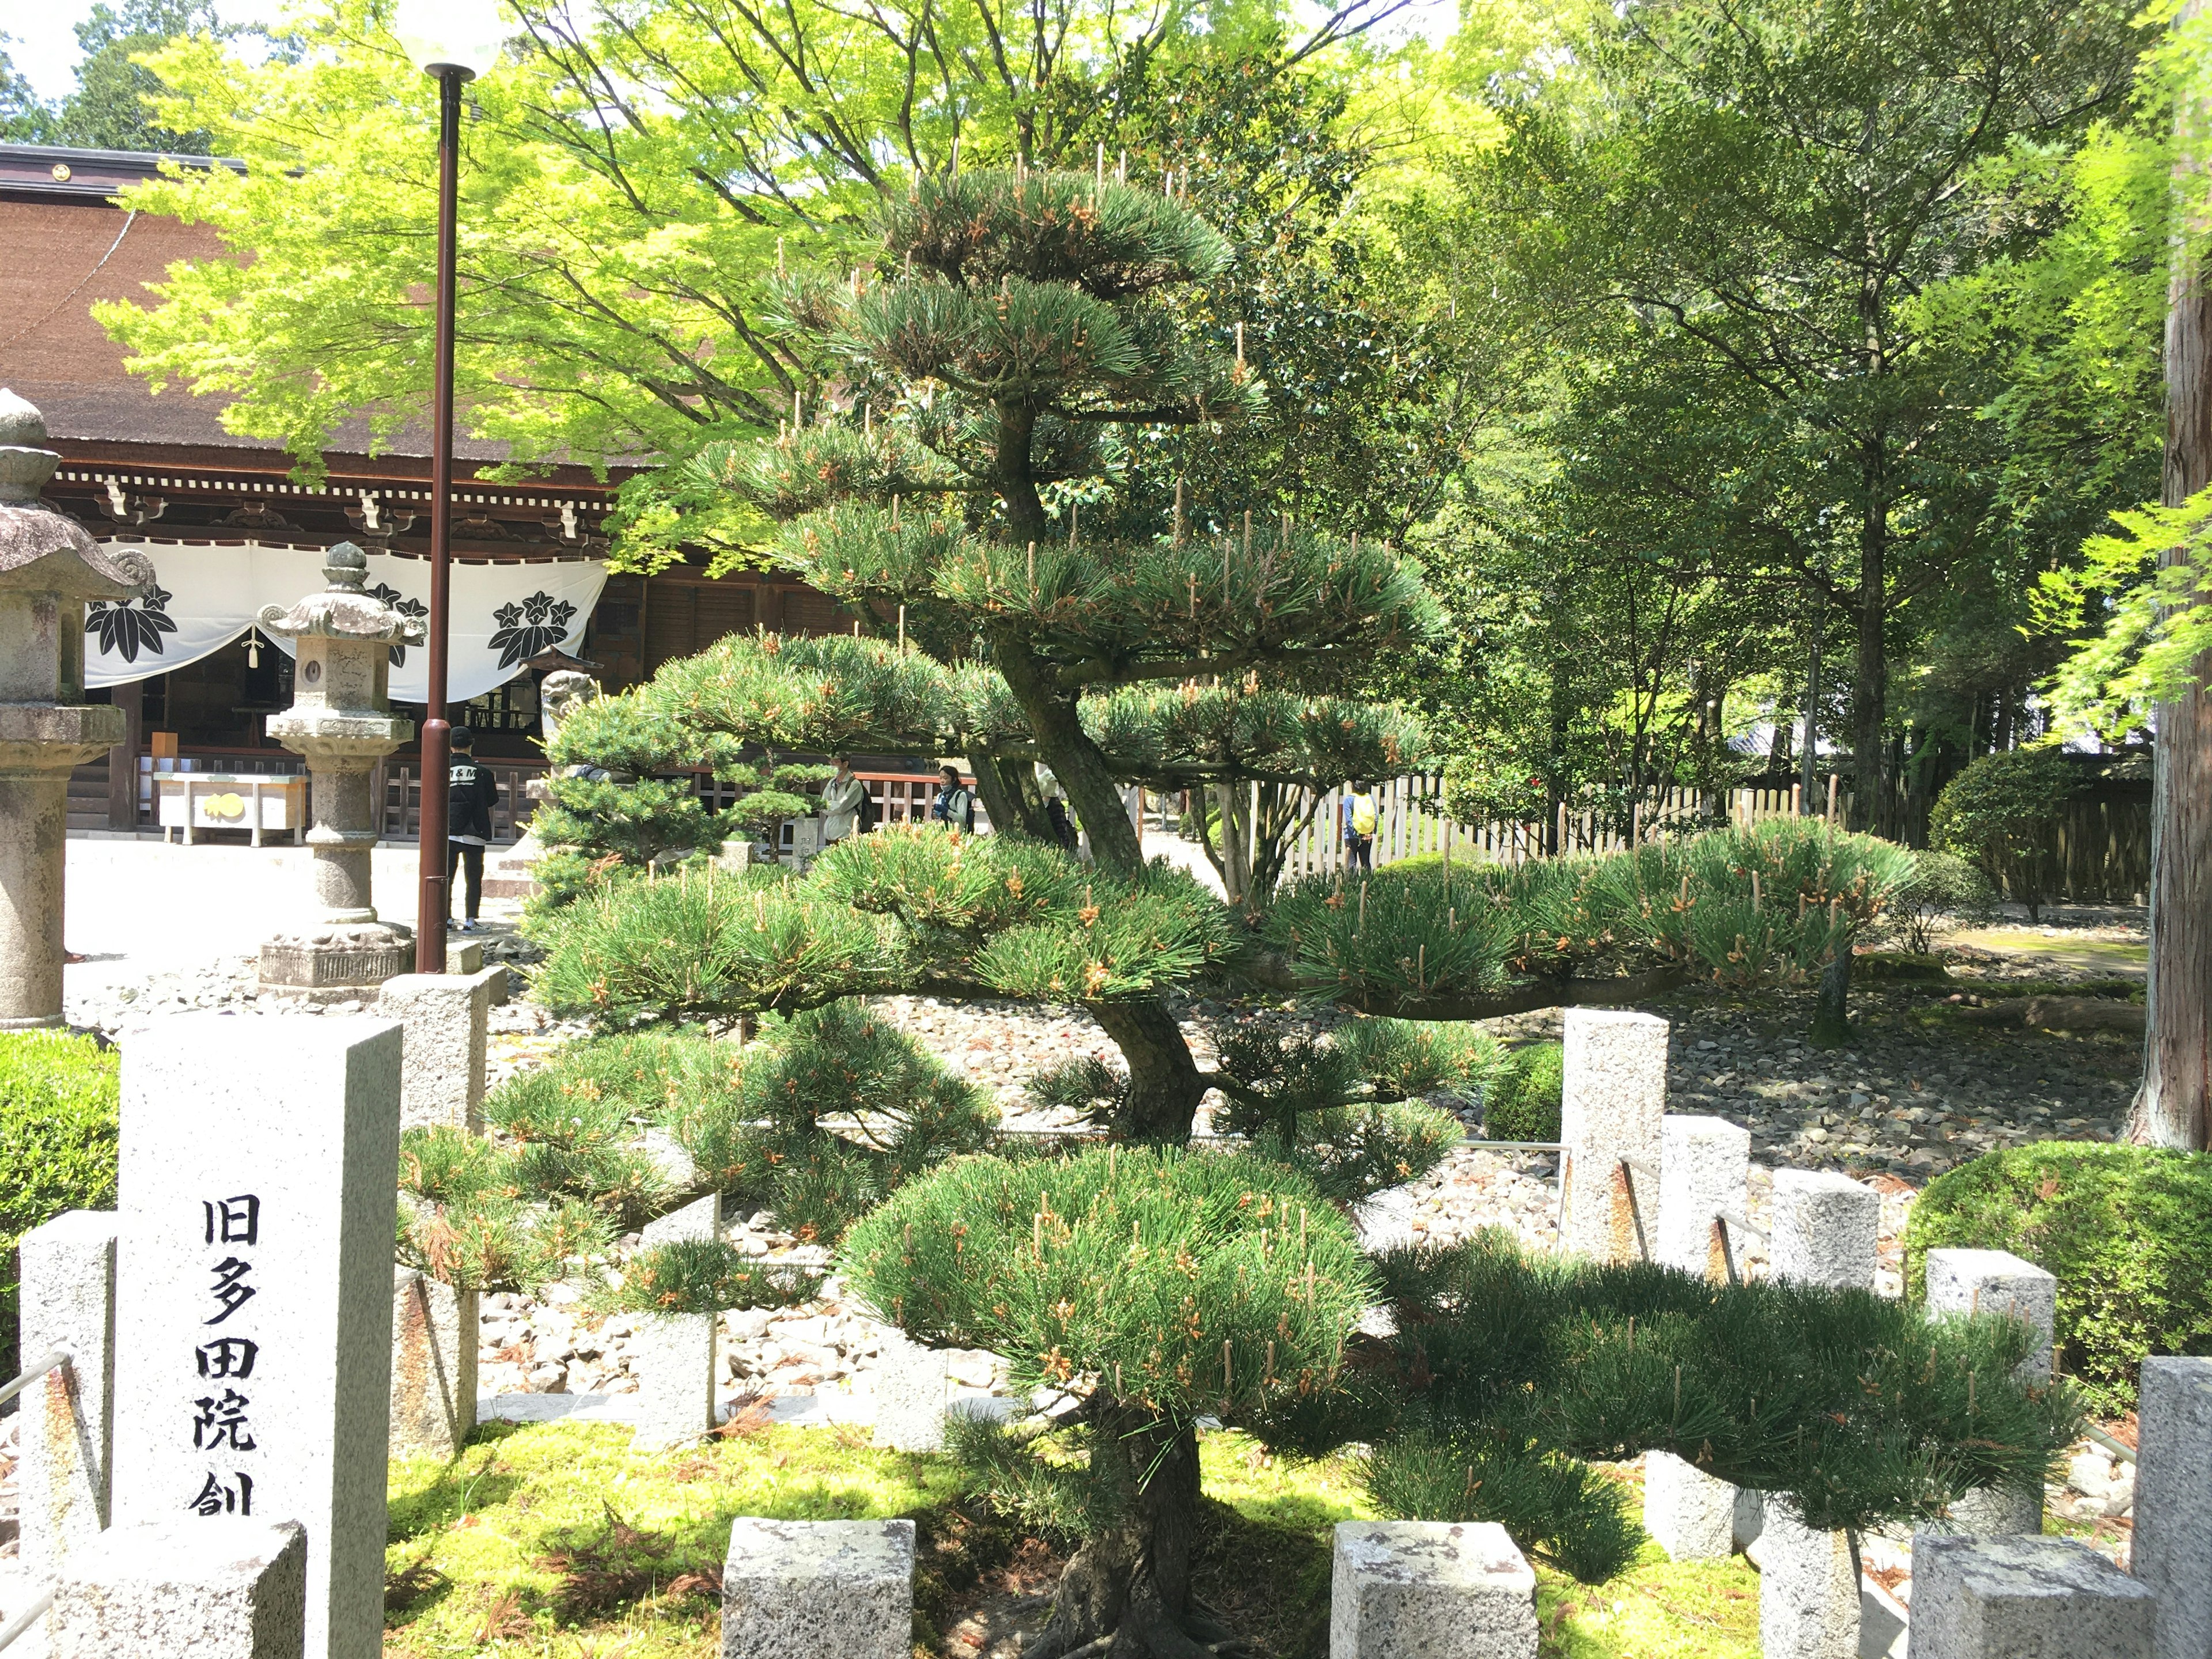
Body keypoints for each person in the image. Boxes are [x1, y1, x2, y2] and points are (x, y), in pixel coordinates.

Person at [447, 726, 498, 930]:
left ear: (450, 745)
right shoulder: (483, 773)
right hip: (475, 830)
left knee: (445, 878)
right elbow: (493, 799)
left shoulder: (440, 769)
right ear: (471, 744)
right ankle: (470, 920)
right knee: (474, 878)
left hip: (447, 831)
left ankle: (447, 920)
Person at [820, 757, 870, 844]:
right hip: (832, 835)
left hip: (847, 836)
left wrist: (830, 805)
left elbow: (841, 807)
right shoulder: (832, 782)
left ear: (845, 764)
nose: (832, 765)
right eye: (830, 761)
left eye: (836, 762)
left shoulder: (854, 785)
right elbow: (822, 806)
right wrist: (831, 806)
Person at [1342, 777, 1378, 875]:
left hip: (1351, 836)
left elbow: (1349, 821)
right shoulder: (1370, 798)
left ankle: (1352, 887)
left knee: (1352, 864)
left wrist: (1357, 833)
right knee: (1366, 862)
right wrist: (1372, 831)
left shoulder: (1349, 800)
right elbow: (1376, 817)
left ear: (1353, 786)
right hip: (1367, 835)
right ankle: (1369, 884)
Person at [931, 764, 976, 832]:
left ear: (954, 779)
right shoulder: (940, 796)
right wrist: (935, 815)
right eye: (940, 778)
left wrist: (947, 811)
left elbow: (962, 820)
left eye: (946, 778)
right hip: (942, 834)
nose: (942, 781)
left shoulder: (960, 795)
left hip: (956, 834)